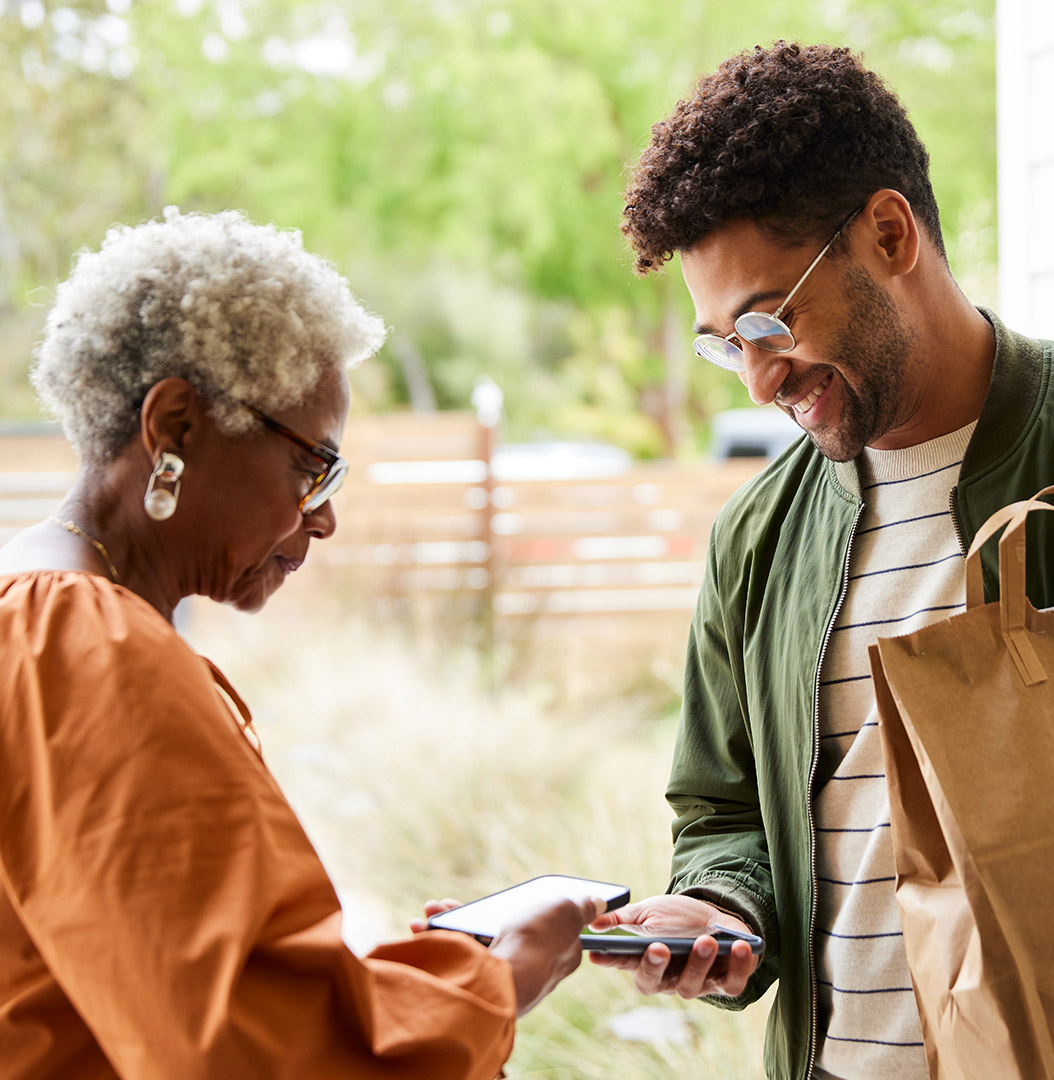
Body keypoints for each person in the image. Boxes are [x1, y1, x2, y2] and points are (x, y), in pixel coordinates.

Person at [0, 207, 604, 1079]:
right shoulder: (87, 651)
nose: (323, 517)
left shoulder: (37, 615)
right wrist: (500, 975)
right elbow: (251, 1047)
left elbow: (160, 980)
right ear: (174, 429)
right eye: (311, 465)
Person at [588, 41, 1054, 1079]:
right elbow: (723, 810)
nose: (757, 383)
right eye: (724, 341)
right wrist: (719, 905)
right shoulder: (754, 540)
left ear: (888, 234)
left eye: (768, 319)